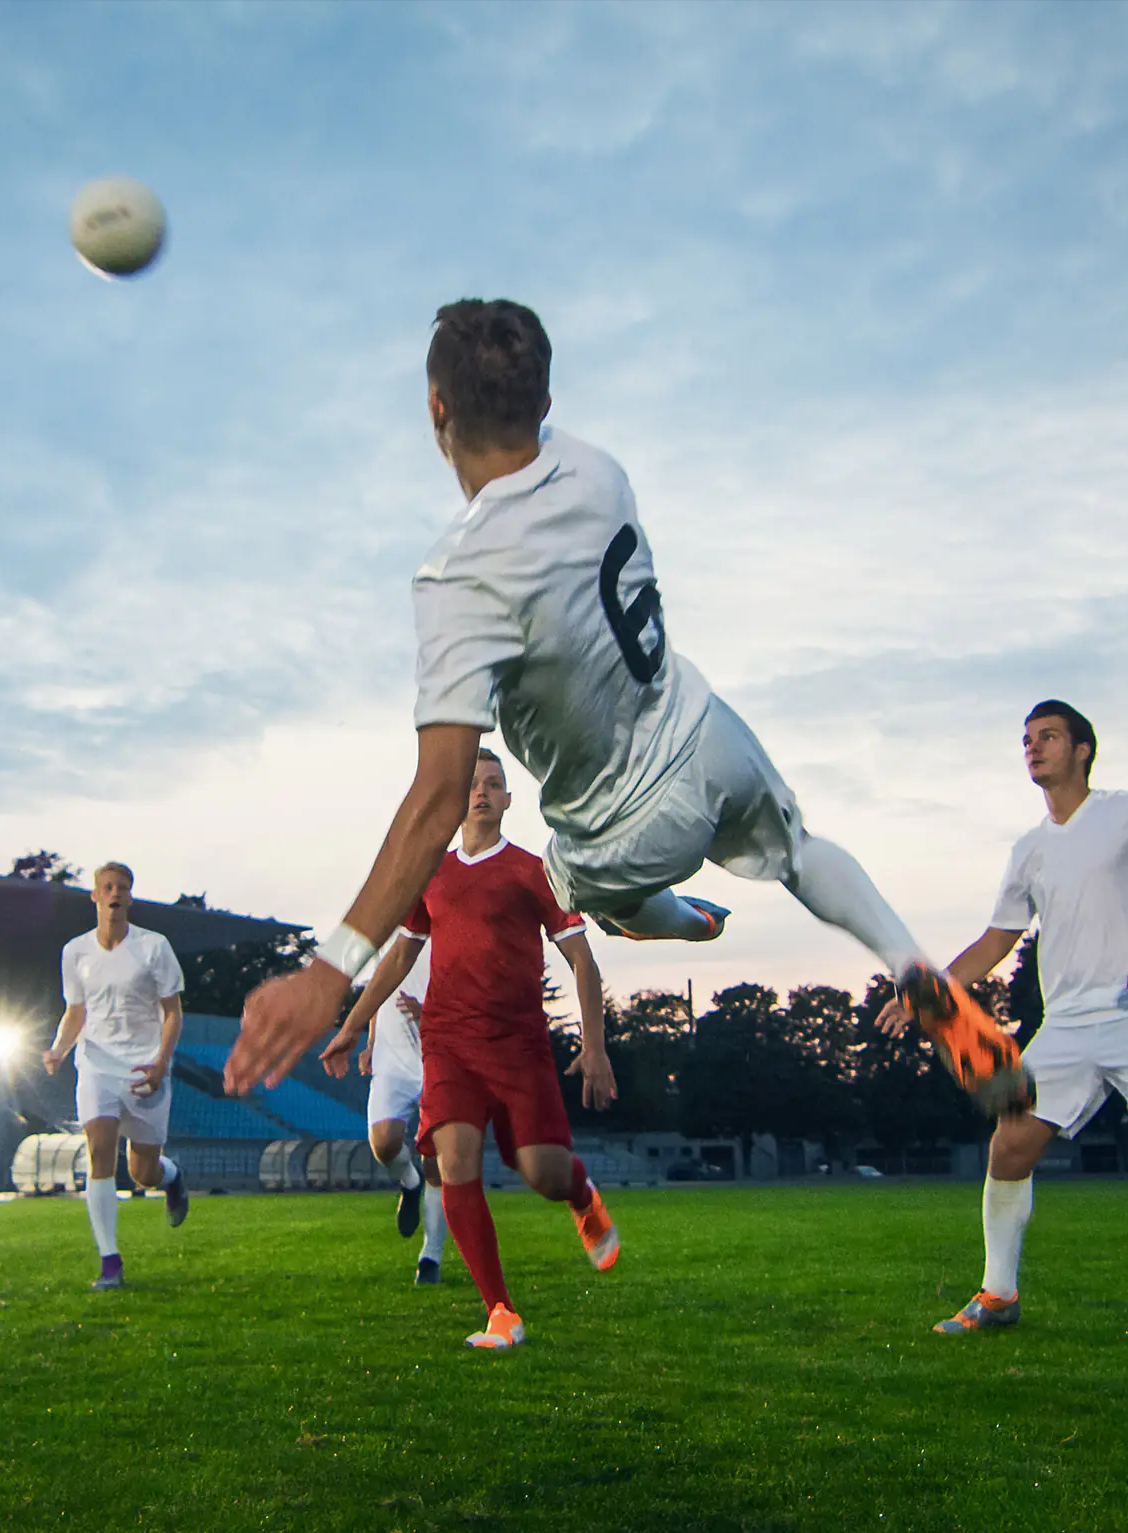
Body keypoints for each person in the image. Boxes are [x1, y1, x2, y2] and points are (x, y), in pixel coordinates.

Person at [228, 298, 1025, 1124]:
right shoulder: (599, 470)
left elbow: (438, 799)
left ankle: (682, 924)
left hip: (617, 830)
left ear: (437, 409)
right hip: (707, 732)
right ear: (544, 400)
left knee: (597, 893)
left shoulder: (460, 579)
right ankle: (909, 964)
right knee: (798, 851)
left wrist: (328, 972)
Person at [877, 702, 1128, 1358]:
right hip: (1068, 1024)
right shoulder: (1029, 849)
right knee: (1008, 1147)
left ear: (1082, 749)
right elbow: (997, 940)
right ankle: (998, 1293)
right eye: (1026, 740)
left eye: (1047, 736)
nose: (1033, 747)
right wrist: (929, 995)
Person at [317, 750, 618, 1347]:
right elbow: (400, 955)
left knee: (543, 1172)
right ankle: (500, 1312)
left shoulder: (537, 872)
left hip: (518, 1045)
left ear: (509, 800)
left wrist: (596, 1045)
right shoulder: (431, 874)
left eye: (493, 785)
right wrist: (353, 1023)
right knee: (454, 1165)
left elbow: (581, 959)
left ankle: (581, 1195)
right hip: (448, 1044)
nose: (481, 793)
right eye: (471, 785)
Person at [43, 862, 188, 1290]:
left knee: (142, 1171)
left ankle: (172, 1176)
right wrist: (58, 1048)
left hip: (145, 1066)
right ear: (94, 896)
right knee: (99, 1153)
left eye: (122, 887)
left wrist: (162, 1062)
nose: (114, 894)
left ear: (130, 896)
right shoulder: (75, 952)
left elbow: (173, 1012)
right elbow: (75, 1011)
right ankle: (110, 1262)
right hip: (96, 1064)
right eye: (107, 887)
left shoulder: (154, 947)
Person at [345, 972, 450, 1284]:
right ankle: (409, 1182)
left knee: (436, 1161)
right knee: (384, 1144)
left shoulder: (452, 931)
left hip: (438, 1058)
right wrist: (371, 1044)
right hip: (392, 1063)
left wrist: (429, 1014)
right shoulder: (391, 932)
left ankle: (430, 1257)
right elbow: (380, 991)